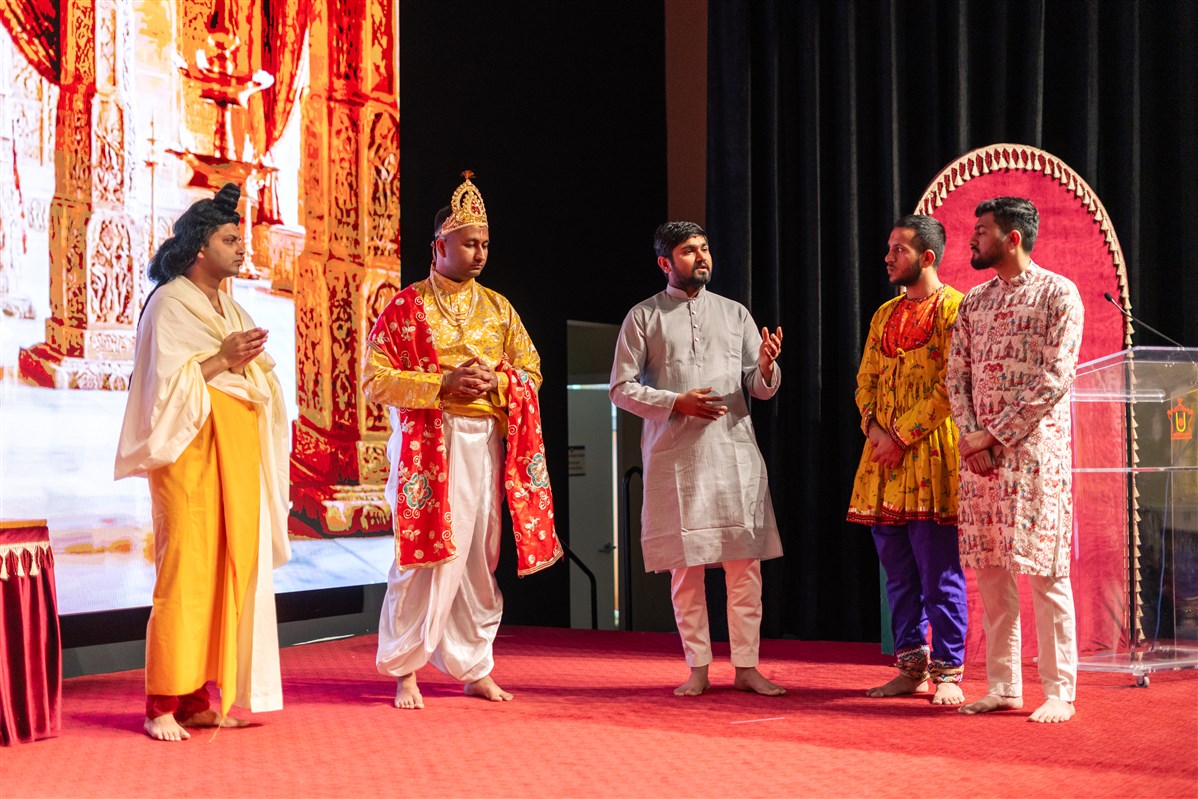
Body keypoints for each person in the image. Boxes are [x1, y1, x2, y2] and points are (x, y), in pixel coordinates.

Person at [363, 171, 561, 710]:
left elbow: (532, 370)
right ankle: (405, 670)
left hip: (485, 441)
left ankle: (476, 667)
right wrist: (441, 384)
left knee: (479, 554)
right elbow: (375, 379)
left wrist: (498, 382)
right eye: (470, 243)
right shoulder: (406, 307)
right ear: (440, 246)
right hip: (429, 443)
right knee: (422, 558)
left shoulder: (499, 308)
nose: (480, 253)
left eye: (485, 244)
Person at [115, 183, 291, 742]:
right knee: (185, 573)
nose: (242, 248)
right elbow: (161, 389)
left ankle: (198, 700)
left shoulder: (231, 306)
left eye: (241, 239)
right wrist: (222, 358)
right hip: (187, 454)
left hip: (233, 452)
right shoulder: (169, 303)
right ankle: (160, 704)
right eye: (229, 240)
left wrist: (251, 367)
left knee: (226, 573)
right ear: (199, 248)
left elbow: (253, 377)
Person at [610, 221, 786, 697]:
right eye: (689, 251)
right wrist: (676, 402)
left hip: (733, 456)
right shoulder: (643, 317)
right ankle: (698, 667)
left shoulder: (734, 313)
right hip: (677, 460)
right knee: (685, 570)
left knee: (744, 567)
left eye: (705, 248)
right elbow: (621, 388)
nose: (702, 256)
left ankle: (746, 667)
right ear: (665, 262)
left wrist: (765, 366)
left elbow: (757, 386)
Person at [947, 196, 1084, 723]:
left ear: (1012, 238)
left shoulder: (1058, 293)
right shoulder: (974, 302)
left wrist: (994, 435)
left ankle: (1060, 691)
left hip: (1033, 461)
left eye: (982, 231)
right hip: (981, 464)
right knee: (991, 574)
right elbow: (956, 375)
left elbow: (1056, 377)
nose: (972, 239)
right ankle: (1004, 687)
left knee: (1046, 575)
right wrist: (971, 438)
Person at [847, 215, 968, 705]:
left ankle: (949, 673)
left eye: (899, 249)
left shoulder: (955, 309)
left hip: (931, 457)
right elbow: (866, 380)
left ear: (927, 257)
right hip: (882, 461)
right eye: (889, 248)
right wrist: (875, 430)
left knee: (939, 573)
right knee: (897, 576)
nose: (888, 257)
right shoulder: (884, 314)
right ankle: (910, 667)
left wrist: (900, 435)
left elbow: (951, 385)